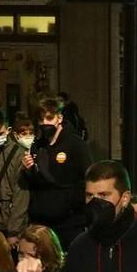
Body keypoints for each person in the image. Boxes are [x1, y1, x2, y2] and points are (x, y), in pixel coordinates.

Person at [25, 97, 93, 241]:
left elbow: (87, 178)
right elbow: (36, 183)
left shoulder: (75, 144)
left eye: (49, 118)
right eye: (41, 119)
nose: (45, 123)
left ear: (59, 118)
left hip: (70, 223)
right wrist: (30, 170)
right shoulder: (38, 146)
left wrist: (69, 205)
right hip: (43, 222)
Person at [0, 107, 34, 237]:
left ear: (8, 130)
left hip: (9, 223)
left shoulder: (18, 154)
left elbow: (21, 196)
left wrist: (13, 231)